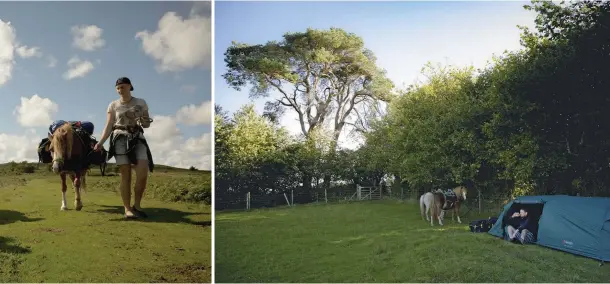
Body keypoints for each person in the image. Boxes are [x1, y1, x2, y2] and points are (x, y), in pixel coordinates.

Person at [94, 77, 154, 219]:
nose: (121, 89)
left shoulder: (141, 102)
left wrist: (143, 120)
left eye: (123, 86)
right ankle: (127, 209)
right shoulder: (113, 105)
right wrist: (101, 142)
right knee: (125, 175)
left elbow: (146, 124)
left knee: (143, 173)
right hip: (119, 138)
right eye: (118, 87)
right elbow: (109, 125)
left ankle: (137, 205)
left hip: (137, 137)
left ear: (130, 87)